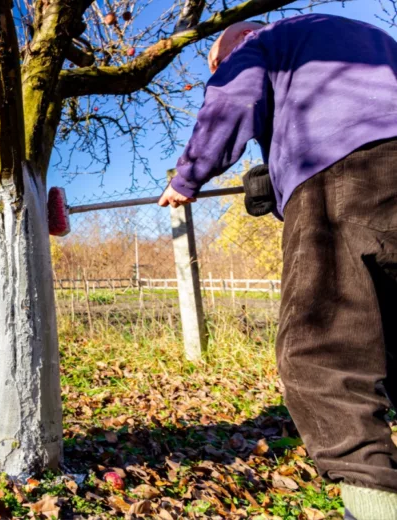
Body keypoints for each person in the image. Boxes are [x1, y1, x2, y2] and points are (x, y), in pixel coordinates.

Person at [158, 14, 397, 520]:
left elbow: (233, 99)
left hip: (342, 178)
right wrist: (278, 177)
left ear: (235, 43)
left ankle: (376, 507)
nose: (218, 70)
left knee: (323, 349)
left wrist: (188, 177)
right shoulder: (367, 39)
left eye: (216, 63)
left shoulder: (257, 41)